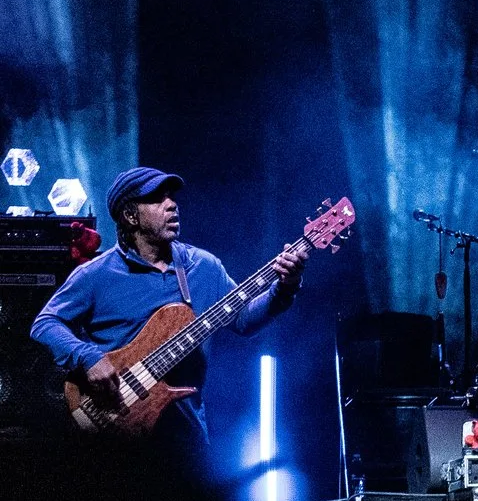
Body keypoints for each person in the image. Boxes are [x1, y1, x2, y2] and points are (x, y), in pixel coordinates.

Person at [31, 166, 303, 469]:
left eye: (171, 196)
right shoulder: (96, 274)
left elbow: (243, 320)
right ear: (130, 216)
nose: (171, 204)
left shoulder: (203, 267)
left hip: (185, 444)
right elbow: (45, 324)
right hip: (115, 438)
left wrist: (284, 288)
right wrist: (88, 357)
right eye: (156, 199)